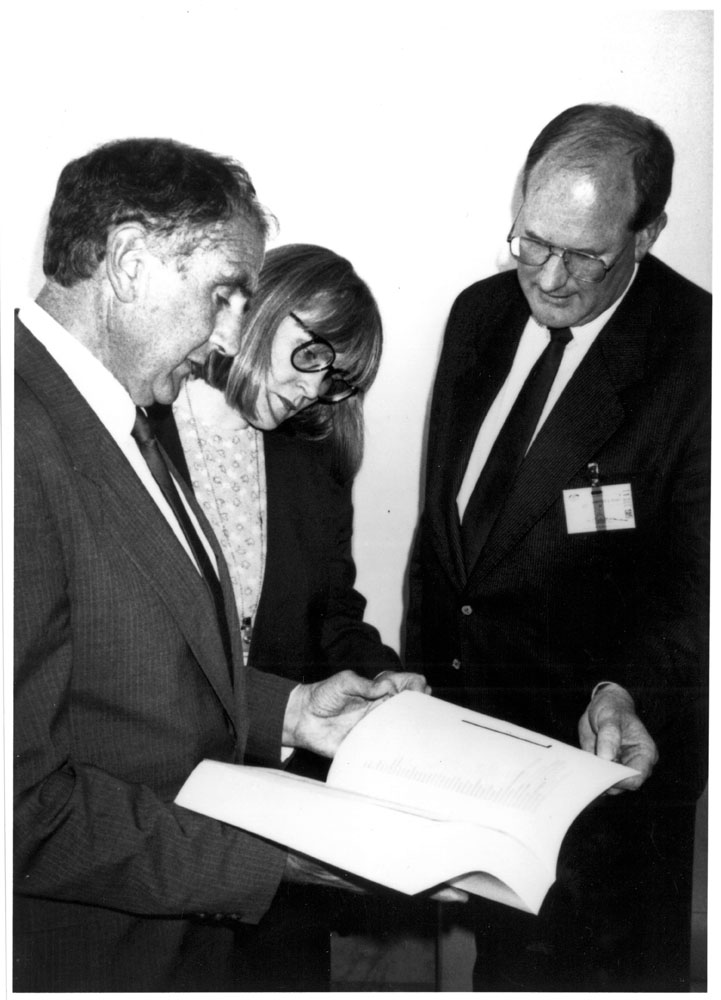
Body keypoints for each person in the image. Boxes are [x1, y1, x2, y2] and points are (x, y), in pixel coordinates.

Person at [14, 137, 426, 992]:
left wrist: (296, 711)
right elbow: (23, 809)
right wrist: (282, 862)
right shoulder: (23, 440)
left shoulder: (112, 413)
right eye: (224, 294)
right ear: (129, 262)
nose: (231, 335)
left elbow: (135, 677)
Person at [406, 103, 710, 991]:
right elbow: (446, 542)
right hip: (465, 747)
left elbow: (703, 586)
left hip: (600, 774)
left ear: (646, 232)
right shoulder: (478, 315)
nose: (549, 276)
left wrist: (627, 692)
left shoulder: (700, 353)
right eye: (531, 241)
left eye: (585, 255)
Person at [149, 242, 415, 988]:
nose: (314, 391)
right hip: (152, 800)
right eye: (311, 356)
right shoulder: (137, 428)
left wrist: (386, 679)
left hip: (276, 806)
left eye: (335, 380)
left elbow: (333, 612)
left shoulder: (311, 457)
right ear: (263, 307)